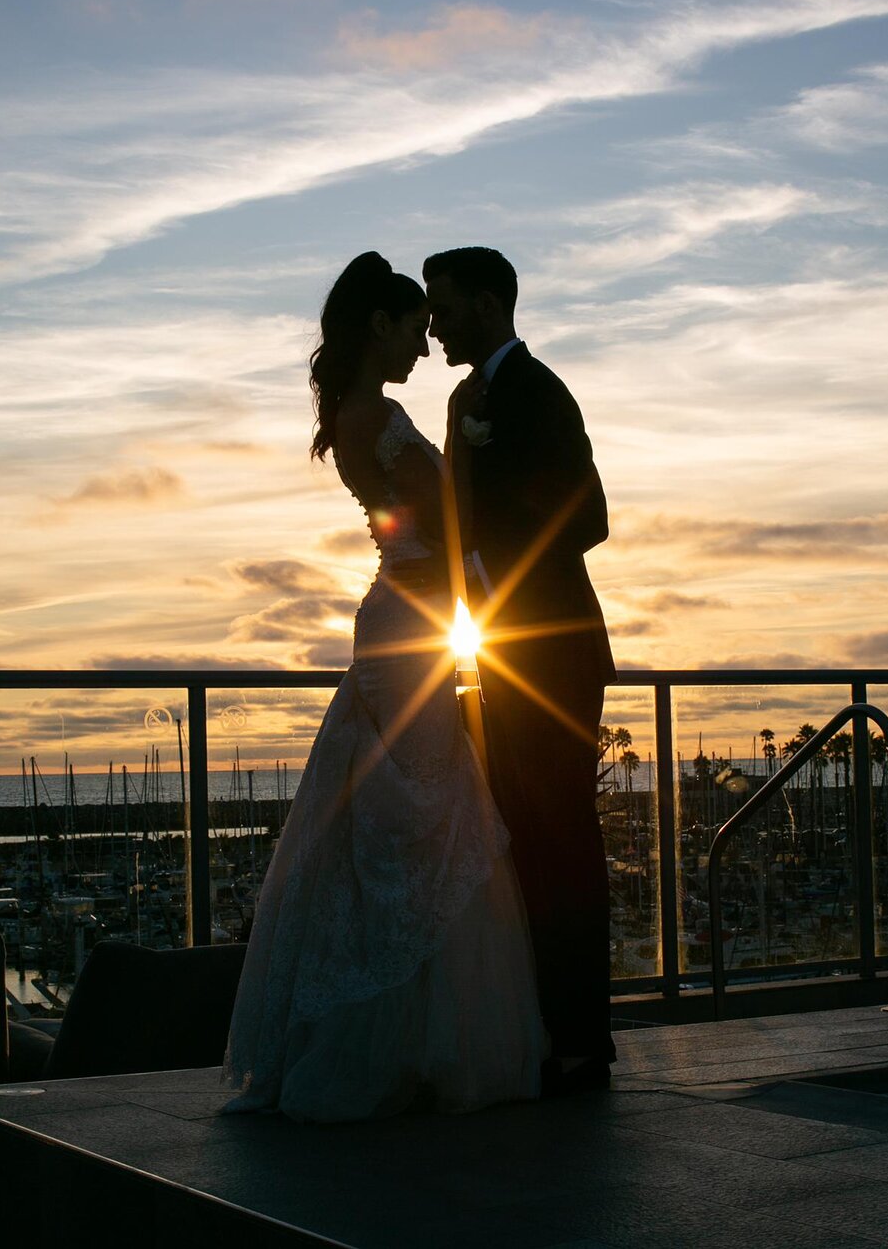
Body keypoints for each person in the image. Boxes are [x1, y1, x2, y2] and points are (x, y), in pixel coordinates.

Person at [223, 252, 544, 1122]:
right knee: (421, 821)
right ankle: (399, 1038)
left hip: (405, 625)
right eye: (411, 326)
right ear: (380, 326)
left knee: (408, 822)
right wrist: (460, 443)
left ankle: (396, 1031)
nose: (422, 342)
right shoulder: (384, 418)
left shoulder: (360, 418)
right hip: (407, 628)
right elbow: (441, 530)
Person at [423, 246, 616, 1093]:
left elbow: (590, 514)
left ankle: (582, 1040)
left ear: (491, 302)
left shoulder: (541, 391)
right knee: (521, 843)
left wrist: (496, 560)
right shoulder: (468, 399)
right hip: (501, 653)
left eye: (447, 304)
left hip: (556, 650)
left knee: (565, 839)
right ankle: (541, 1026)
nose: (435, 322)